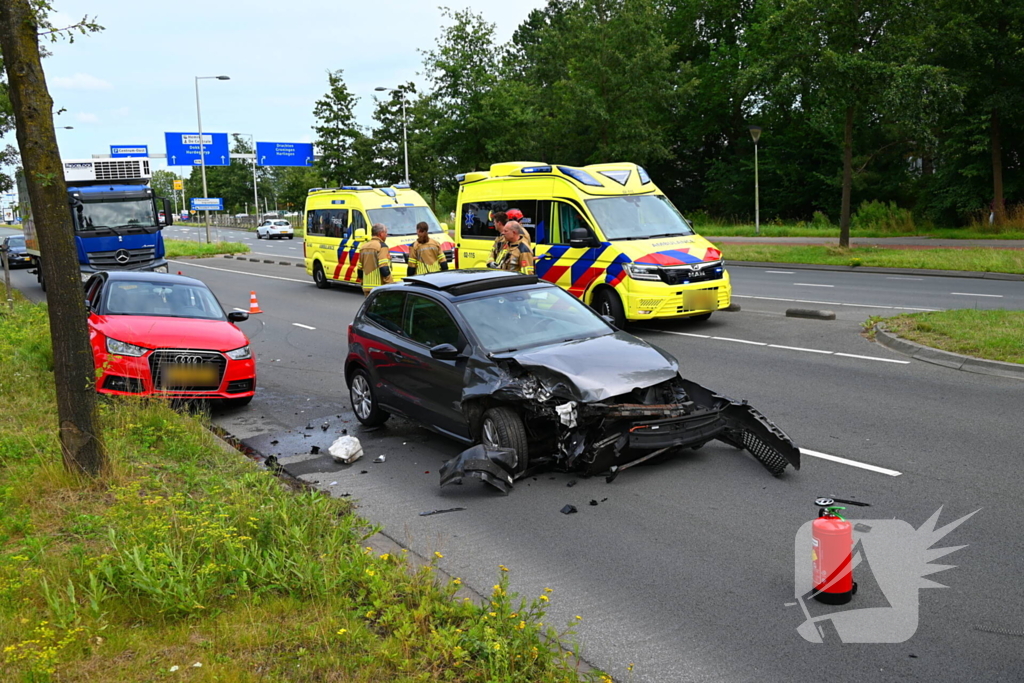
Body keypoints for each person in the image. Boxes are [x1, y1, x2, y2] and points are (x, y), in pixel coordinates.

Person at [357, 223, 392, 295]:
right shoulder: (382, 246)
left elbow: (359, 268)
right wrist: (391, 284)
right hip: (379, 287)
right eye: (385, 232)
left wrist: (363, 283)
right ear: (381, 233)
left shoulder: (363, 247)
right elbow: (384, 267)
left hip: (366, 287)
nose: (386, 235)